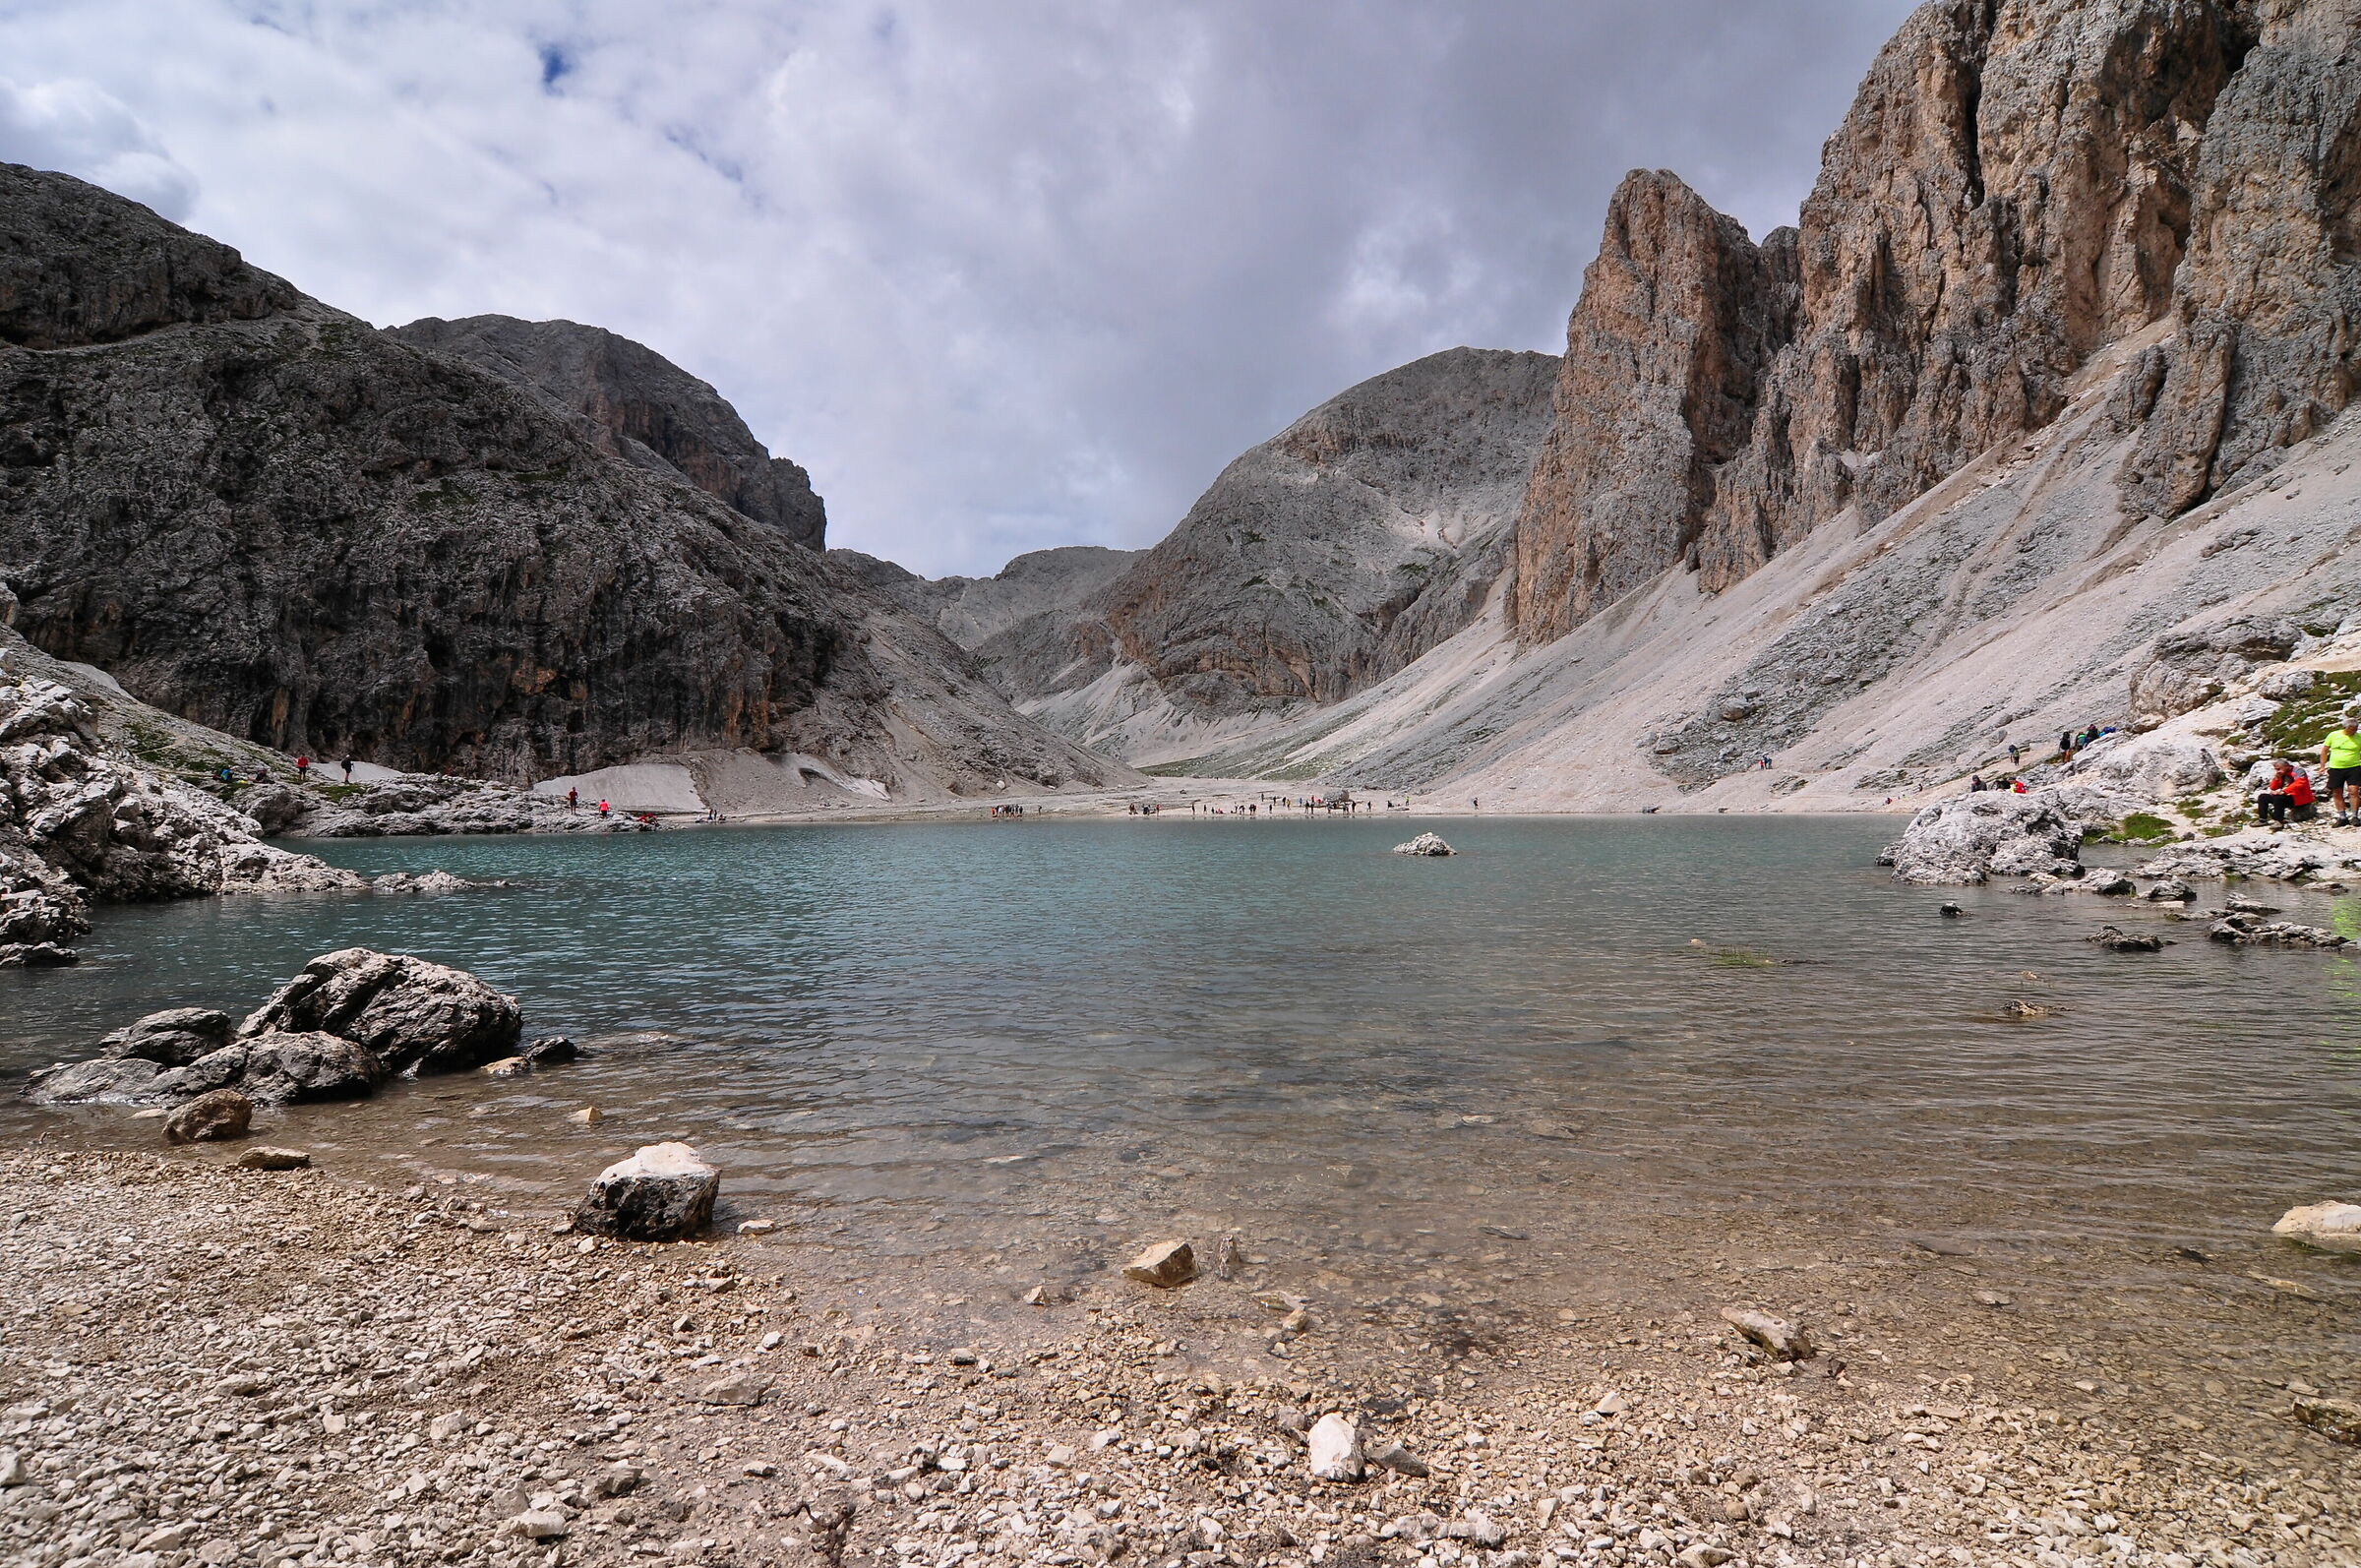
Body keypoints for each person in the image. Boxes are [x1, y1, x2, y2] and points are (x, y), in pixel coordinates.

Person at [2322, 714, 2361, 825]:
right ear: (2345, 728)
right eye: (2351, 729)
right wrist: (2322, 766)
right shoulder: (2333, 735)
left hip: (2354, 767)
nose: (2354, 731)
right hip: (2336, 768)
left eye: (2355, 729)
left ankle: (2355, 816)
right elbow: (2324, 750)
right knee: (2337, 792)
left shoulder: (2359, 737)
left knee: (2354, 791)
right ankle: (2342, 817)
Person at [2258, 760, 2317, 826]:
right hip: (2288, 796)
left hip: (2300, 798)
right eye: (2276, 769)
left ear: (2286, 766)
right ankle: (2262, 820)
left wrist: (2284, 791)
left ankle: (2279, 820)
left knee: (2278, 798)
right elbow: (2273, 787)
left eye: (2279, 769)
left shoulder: (2298, 771)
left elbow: (2300, 783)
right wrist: (2277, 778)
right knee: (2263, 797)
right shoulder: (2282, 774)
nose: (2277, 771)